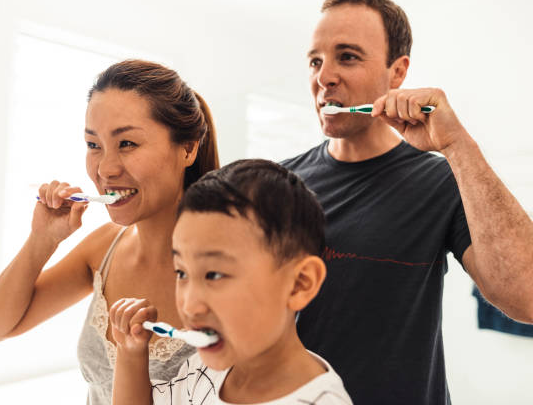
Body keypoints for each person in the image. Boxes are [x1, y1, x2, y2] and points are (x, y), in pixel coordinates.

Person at [281, 0, 533, 404]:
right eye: (314, 61)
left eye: (347, 57)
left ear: (397, 72)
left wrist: (455, 144)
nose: (325, 76)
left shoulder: (441, 181)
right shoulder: (275, 186)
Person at [0, 59, 220, 405]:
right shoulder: (105, 247)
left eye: (128, 144)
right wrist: (42, 240)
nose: (105, 169)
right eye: (94, 145)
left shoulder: (225, 267)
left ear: (188, 148)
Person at [108, 159, 353, 405]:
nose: (190, 306)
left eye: (214, 275)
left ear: (300, 283)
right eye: (181, 273)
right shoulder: (203, 369)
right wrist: (130, 354)